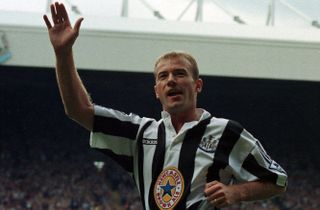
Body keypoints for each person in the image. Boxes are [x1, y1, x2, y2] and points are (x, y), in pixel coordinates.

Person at [43, 2, 287, 210]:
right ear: (157, 91)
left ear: (198, 85)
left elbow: (276, 180)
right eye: (163, 76)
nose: (171, 80)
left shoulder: (227, 132)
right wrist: (63, 54)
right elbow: (79, 110)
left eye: (180, 73)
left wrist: (237, 193)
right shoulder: (141, 133)